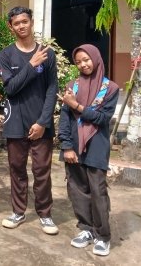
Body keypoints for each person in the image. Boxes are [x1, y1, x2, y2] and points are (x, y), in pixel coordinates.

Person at [0, 6, 59, 235]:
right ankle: (18, 211)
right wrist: (31, 65)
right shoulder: (6, 55)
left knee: (42, 170)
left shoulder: (48, 54)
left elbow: (52, 90)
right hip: (15, 121)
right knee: (17, 169)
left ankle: (45, 214)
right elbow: (10, 88)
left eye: (25, 21)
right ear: (11, 27)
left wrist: (43, 122)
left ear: (31, 22)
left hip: (41, 123)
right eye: (17, 23)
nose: (21, 26)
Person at [58, 44, 119, 257]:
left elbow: (102, 119)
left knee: (97, 190)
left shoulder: (110, 89)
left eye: (86, 59)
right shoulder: (72, 86)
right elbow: (64, 119)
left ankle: (103, 235)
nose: (83, 64)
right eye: (78, 62)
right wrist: (66, 146)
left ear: (96, 58)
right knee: (77, 188)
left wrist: (76, 106)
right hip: (74, 145)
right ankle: (86, 228)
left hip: (97, 145)